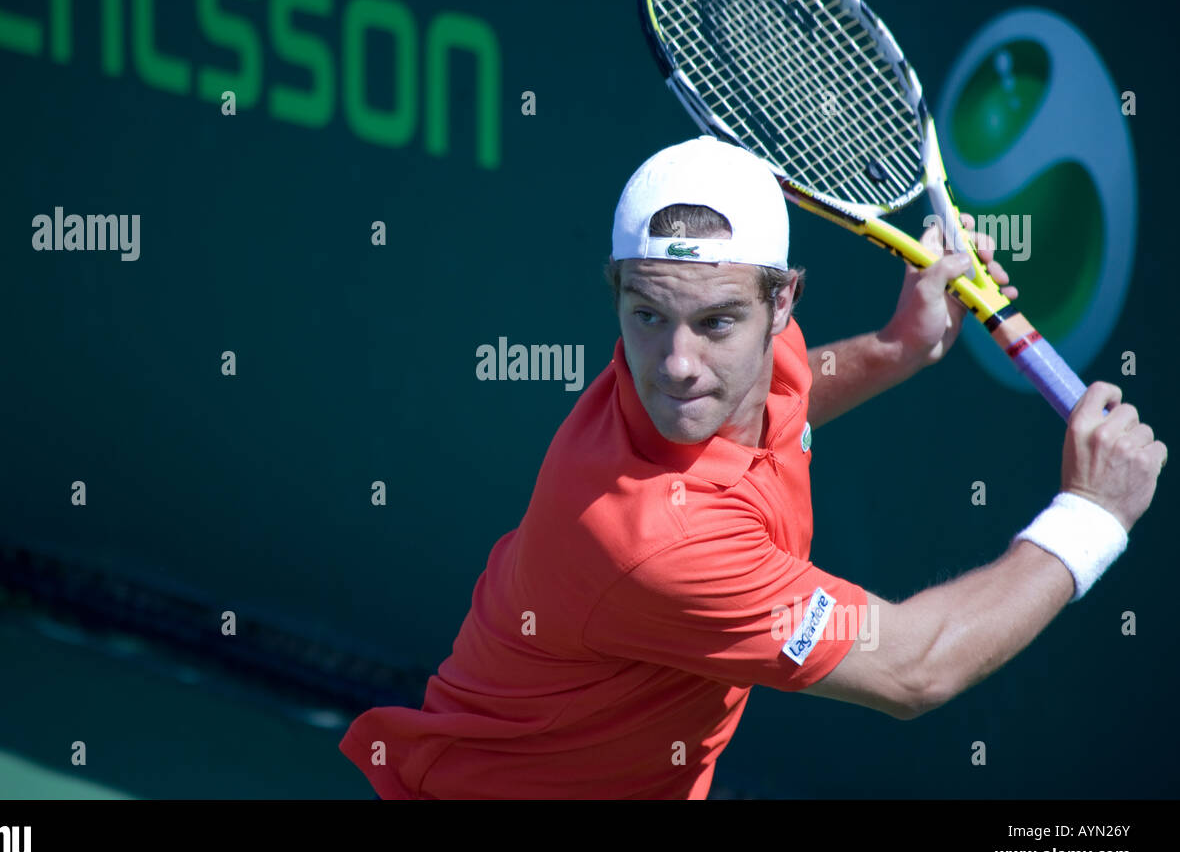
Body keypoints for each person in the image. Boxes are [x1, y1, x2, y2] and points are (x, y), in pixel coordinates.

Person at [338, 136, 1166, 799]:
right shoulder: (653, 542)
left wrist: (897, 346)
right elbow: (917, 664)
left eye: (717, 322)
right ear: (618, 297)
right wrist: (1092, 513)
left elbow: (789, 398)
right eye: (647, 315)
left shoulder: (743, 367)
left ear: (784, 305)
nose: (678, 363)